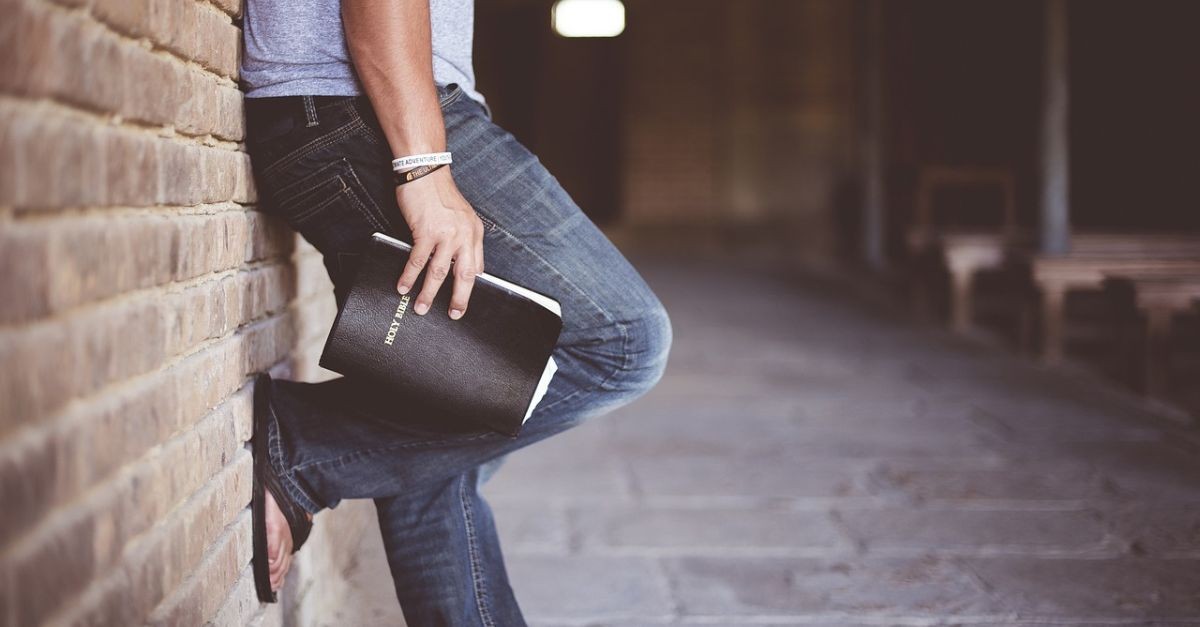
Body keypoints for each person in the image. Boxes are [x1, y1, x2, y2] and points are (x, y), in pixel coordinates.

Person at [239, 0, 673, 623]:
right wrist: (424, 166)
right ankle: (306, 442)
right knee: (622, 342)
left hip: (344, 112)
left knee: (432, 446)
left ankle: (315, 447)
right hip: (359, 112)